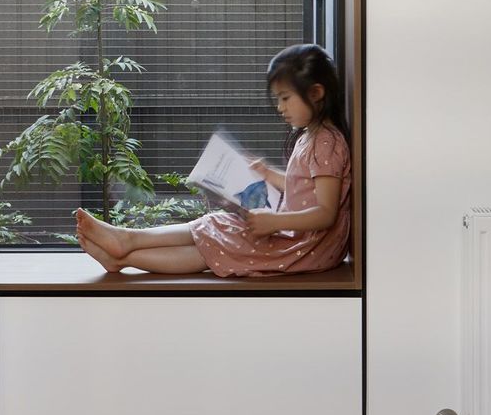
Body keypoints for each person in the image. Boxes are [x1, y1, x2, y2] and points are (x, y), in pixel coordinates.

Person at [74, 43, 351, 278]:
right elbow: (302, 186)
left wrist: (275, 223)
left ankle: (124, 256)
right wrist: (267, 174)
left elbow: (325, 214)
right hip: (298, 235)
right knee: (217, 225)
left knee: (219, 244)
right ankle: (127, 240)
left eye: (286, 98)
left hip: (307, 245)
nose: (280, 107)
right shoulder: (312, 136)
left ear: (316, 93)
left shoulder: (326, 143)